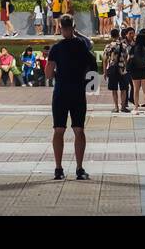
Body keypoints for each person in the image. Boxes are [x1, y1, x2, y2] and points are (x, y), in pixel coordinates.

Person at [45, 14, 94, 180]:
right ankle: (79, 169)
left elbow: (48, 74)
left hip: (61, 92)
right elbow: (92, 64)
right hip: (78, 91)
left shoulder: (56, 48)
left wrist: (59, 72)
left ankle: (58, 169)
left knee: (59, 129)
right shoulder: (82, 46)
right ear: (74, 28)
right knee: (79, 130)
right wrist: (91, 87)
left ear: (60, 28)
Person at [103, 26, 129, 113]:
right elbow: (126, 58)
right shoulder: (124, 45)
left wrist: (105, 72)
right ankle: (123, 106)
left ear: (111, 36)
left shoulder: (108, 46)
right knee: (124, 89)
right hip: (122, 69)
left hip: (112, 69)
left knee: (114, 89)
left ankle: (116, 107)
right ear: (118, 35)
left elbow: (105, 59)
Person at [127, 30, 145, 114]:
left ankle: (136, 108)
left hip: (135, 71)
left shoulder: (133, 48)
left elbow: (129, 59)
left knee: (136, 90)